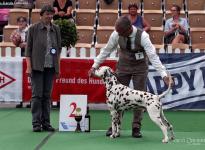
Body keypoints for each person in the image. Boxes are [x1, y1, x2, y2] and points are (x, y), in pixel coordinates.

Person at [88, 16, 173, 138]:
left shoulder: (143, 36)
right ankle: (115, 126)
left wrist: (164, 75)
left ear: (128, 29)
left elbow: (153, 57)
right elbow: (106, 51)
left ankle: (136, 126)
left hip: (140, 68)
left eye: (120, 32)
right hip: (123, 66)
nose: (117, 33)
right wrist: (94, 66)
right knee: (118, 97)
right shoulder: (116, 34)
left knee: (140, 96)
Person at [25, 5, 61, 132]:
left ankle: (46, 123)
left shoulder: (56, 29)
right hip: (37, 67)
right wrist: (29, 67)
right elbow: (28, 50)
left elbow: (58, 50)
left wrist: (58, 68)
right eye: (47, 14)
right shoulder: (33, 29)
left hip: (50, 67)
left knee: (47, 96)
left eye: (51, 14)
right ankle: (36, 123)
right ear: (41, 15)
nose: (49, 16)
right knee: (37, 96)